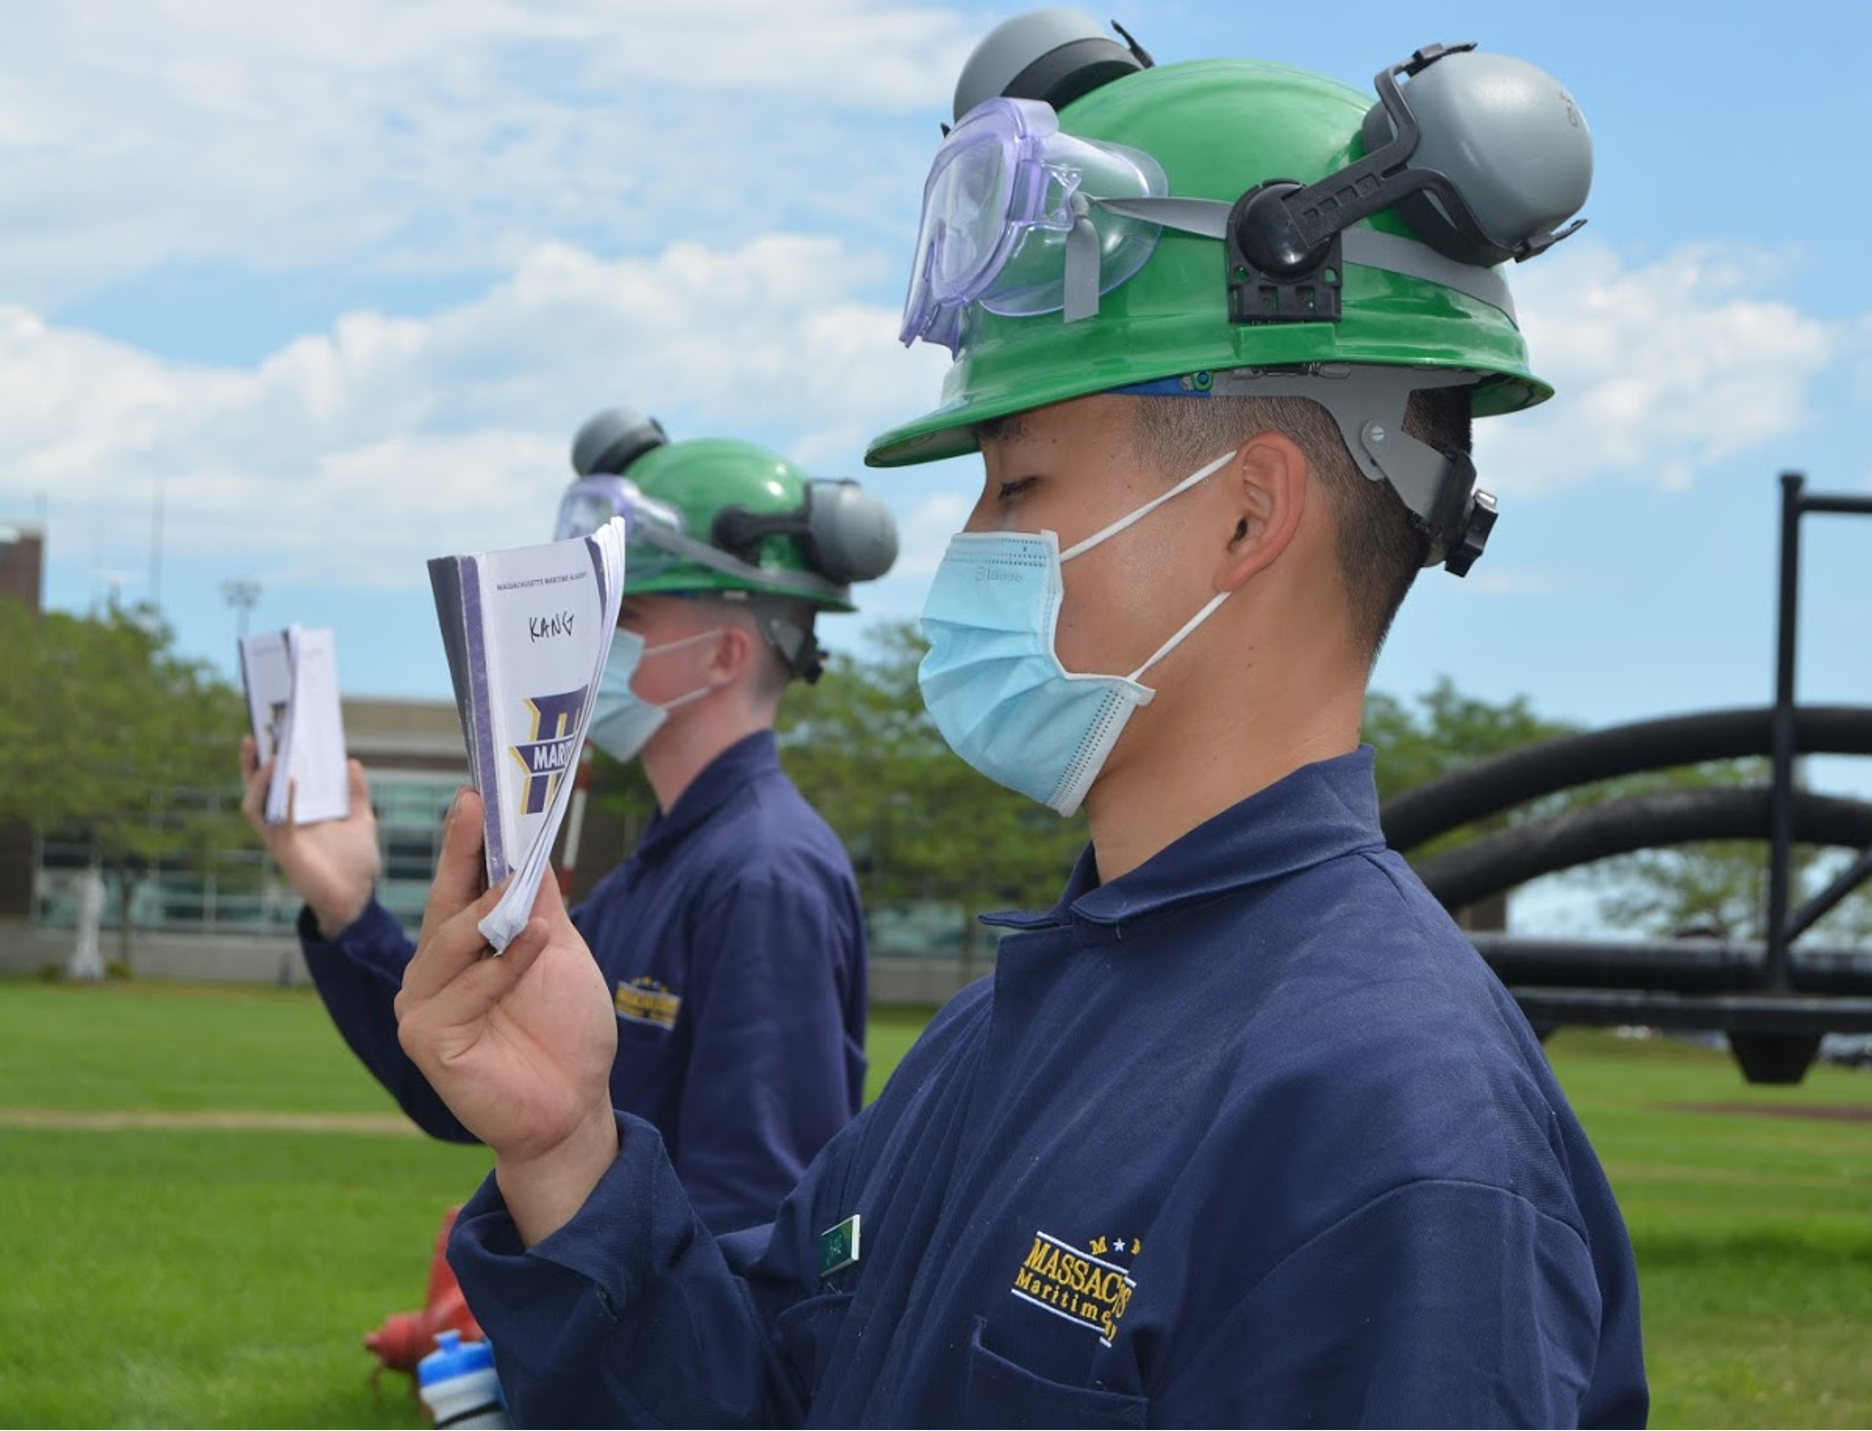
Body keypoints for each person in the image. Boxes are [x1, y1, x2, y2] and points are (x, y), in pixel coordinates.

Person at [395, 13, 1648, 1426]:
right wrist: (567, 1142)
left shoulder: (1385, 1125)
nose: (970, 547)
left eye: (1016, 485)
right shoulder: (1020, 1020)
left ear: (1245, 513)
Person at [240, 408, 899, 1233]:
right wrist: (347, 909)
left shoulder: (764, 873)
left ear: (726, 655)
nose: (588, 644)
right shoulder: (668, 862)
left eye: (623, 619)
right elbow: (473, 1080)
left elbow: (752, 1225)